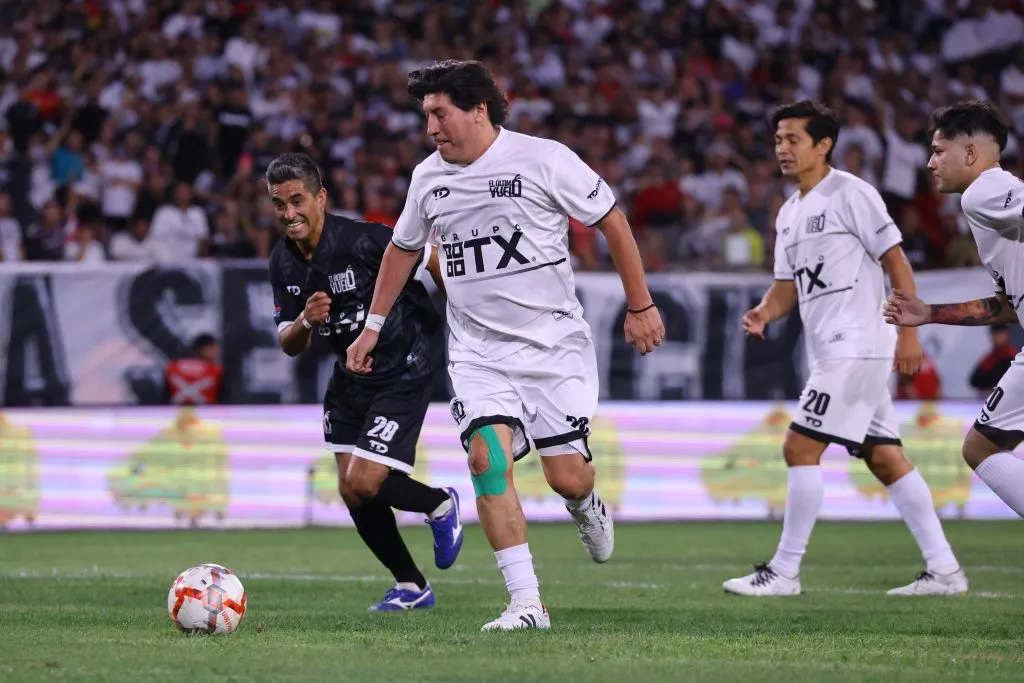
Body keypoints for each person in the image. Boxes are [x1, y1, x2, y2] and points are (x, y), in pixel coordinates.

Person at [346, 60, 665, 631]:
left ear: (478, 110)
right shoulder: (428, 178)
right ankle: (526, 604)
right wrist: (371, 325)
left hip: (552, 346)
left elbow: (612, 221)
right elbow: (402, 251)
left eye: (439, 114)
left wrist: (640, 306)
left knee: (566, 475)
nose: (431, 128)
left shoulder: (542, 159)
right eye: (425, 117)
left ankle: (585, 503)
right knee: (485, 461)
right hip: (477, 352)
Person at [723, 101, 968, 597]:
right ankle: (945, 571)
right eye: (778, 140)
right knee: (885, 459)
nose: (782, 149)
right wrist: (765, 312)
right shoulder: (789, 212)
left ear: (823, 145)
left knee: (799, 447)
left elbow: (896, 263)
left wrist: (910, 333)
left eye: (793, 139)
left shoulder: (852, 193)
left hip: (855, 344)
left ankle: (785, 572)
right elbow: (786, 286)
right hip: (833, 348)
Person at [266, 152, 463, 612]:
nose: (289, 213)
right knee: (350, 488)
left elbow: (431, 258)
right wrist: (305, 321)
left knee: (366, 480)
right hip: (349, 379)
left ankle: (440, 504)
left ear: (320, 197)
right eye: (279, 204)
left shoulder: (365, 239)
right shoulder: (282, 261)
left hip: (403, 368)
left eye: (297, 200)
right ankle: (412, 587)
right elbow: (288, 343)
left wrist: (464, 317)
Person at [884, 100, 1024, 519]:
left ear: (970, 154)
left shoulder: (984, 191)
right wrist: (928, 313)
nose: (930, 162)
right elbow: (1008, 307)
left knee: (981, 447)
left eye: (939, 150)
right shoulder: (996, 207)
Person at [165, 333, 224, 405]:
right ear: (203, 349)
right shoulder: (216, 371)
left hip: (173, 413)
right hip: (207, 413)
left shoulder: (172, 367)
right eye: (213, 348)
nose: (217, 352)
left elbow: (164, 397)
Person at [969, 323, 1019, 396]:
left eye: (1000, 334)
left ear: (1007, 335)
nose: (997, 337)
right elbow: (974, 380)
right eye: (995, 334)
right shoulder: (991, 357)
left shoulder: (1012, 355)